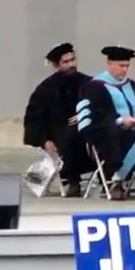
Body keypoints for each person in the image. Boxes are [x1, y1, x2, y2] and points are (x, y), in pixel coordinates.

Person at [76, 46, 135, 200]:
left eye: (127, 66)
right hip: (109, 133)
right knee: (118, 134)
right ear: (109, 64)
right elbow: (95, 116)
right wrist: (120, 121)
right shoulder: (94, 87)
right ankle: (116, 180)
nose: (124, 70)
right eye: (121, 66)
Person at [22, 43, 90, 196]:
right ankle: (73, 181)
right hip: (58, 135)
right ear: (56, 65)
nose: (71, 65)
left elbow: (100, 106)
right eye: (66, 62)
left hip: (87, 131)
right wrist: (44, 140)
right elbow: (34, 119)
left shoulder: (89, 83)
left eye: (73, 60)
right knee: (69, 137)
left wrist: (83, 115)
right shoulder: (44, 90)